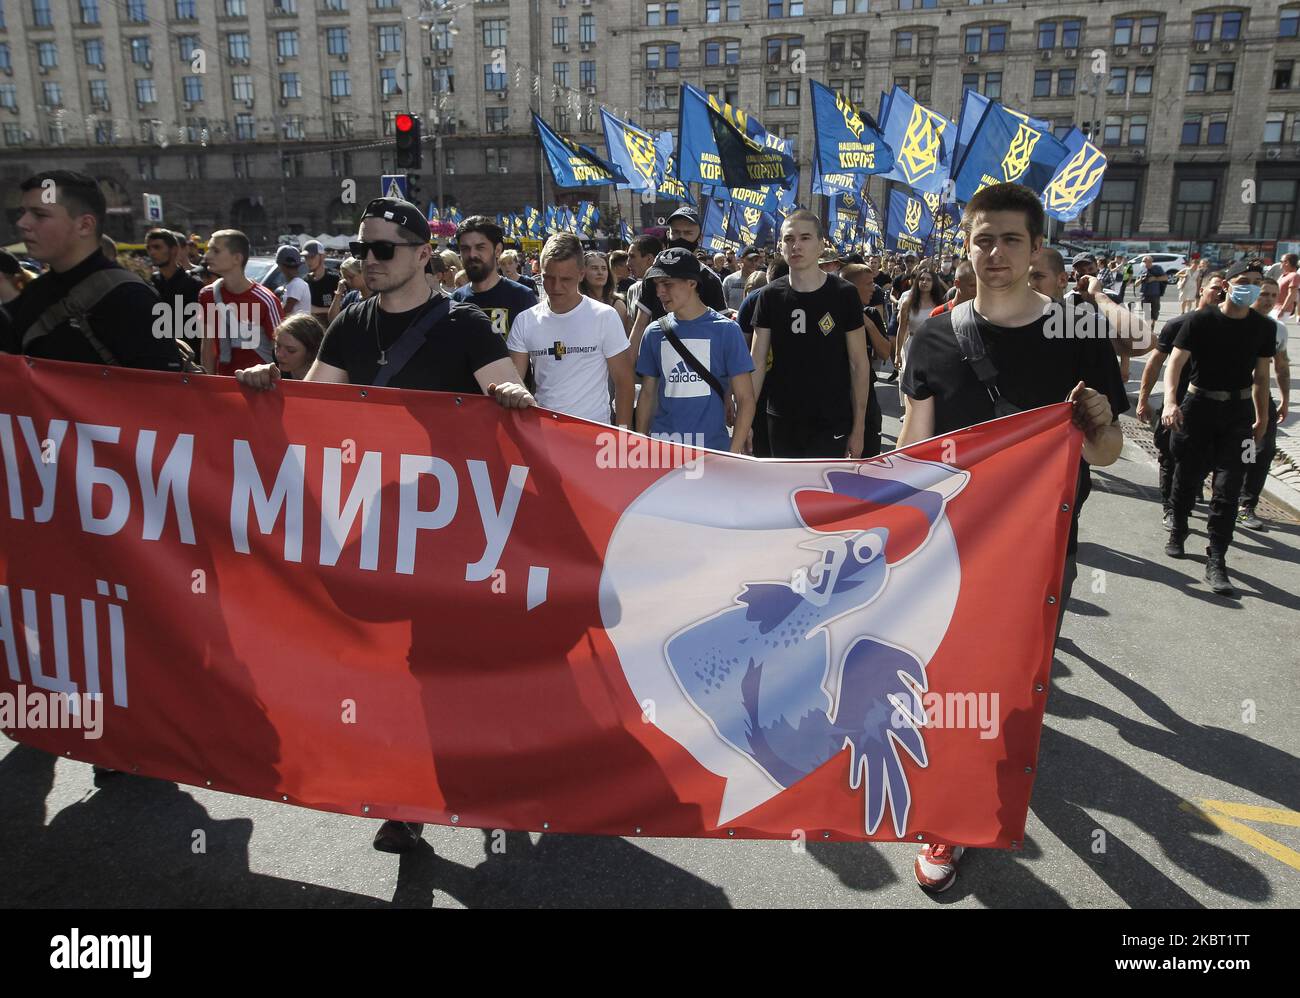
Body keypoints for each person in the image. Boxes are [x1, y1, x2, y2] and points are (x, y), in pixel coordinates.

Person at [235, 198, 534, 855]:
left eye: (383, 250)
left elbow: (514, 404)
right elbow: (315, 407)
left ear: (424, 254)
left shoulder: (465, 327)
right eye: (362, 248)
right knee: (387, 667)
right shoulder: (348, 323)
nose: (367, 260)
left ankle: (476, 774)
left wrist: (510, 400)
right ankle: (407, 798)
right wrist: (270, 384)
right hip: (375, 527)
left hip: (449, 532)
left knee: (446, 665)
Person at [897, 182, 1125, 894]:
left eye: (1010, 240)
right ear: (965, 246)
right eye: (982, 239)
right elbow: (916, 445)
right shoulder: (935, 331)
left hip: (1043, 547)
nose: (994, 253)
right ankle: (950, 819)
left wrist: (1096, 419)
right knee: (951, 683)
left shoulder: (1078, 331)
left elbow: (1107, 453)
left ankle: (993, 774)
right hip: (953, 544)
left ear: (1035, 249)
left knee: (1012, 686)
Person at [1161, 260, 1275, 596]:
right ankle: (1178, 529)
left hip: (1238, 415)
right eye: (1243, 280)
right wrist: (1169, 401)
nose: (1250, 287)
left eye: (1256, 281)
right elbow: (1175, 363)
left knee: (1228, 486)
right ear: (1226, 283)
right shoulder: (1200, 320)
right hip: (1197, 409)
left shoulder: (1263, 327)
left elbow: (1262, 377)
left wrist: (1262, 418)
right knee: (1187, 475)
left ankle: (1217, 557)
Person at [5, 170, 182, 371]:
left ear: (85, 225)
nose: (22, 223)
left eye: (39, 214)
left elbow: (164, 392)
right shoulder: (32, 294)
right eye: (23, 212)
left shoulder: (131, 298)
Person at [749, 210, 872, 459]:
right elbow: (757, 363)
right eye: (788, 239)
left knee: (826, 495)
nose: (796, 246)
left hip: (832, 419)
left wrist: (859, 427)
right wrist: (746, 423)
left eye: (805, 238)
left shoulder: (844, 294)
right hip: (781, 418)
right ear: (780, 246)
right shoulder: (769, 296)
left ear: (821, 245)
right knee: (784, 493)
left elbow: (859, 364)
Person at [634, 247, 755, 454]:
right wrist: (642, 447)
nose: (660, 291)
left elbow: (745, 398)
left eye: (667, 284)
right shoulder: (653, 333)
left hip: (713, 451)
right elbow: (647, 393)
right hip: (665, 451)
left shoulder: (726, 330)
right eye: (657, 284)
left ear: (692, 283)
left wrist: (733, 453)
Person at [506, 233, 633, 426]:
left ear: (581, 274)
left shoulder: (604, 316)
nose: (556, 287)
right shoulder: (525, 321)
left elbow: (624, 382)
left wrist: (623, 439)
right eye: (548, 278)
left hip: (593, 435)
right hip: (543, 436)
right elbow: (515, 382)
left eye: (566, 279)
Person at [1136, 274, 1229, 528]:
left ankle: (1192, 485)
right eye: (1214, 288)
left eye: (1224, 288)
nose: (1219, 293)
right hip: (1175, 405)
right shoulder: (1178, 324)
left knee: (1205, 458)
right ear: (1201, 290)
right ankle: (1170, 507)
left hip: (1211, 409)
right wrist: (1143, 399)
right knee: (1169, 457)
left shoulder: (1232, 328)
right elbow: (1155, 363)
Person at [628, 207, 726, 361]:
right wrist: (628, 367)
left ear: (699, 238)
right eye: (676, 233)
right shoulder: (652, 274)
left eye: (688, 233)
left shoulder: (710, 279)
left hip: (698, 361)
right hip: (659, 359)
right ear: (668, 234)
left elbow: (720, 330)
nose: (681, 238)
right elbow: (640, 324)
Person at [1238, 277, 1291, 531]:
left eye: (1273, 295)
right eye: (1264, 294)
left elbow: (1281, 367)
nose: (1269, 300)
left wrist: (1285, 400)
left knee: (1263, 450)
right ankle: (1222, 493)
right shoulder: (1234, 321)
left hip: (1261, 398)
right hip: (1232, 396)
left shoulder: (1277, 328)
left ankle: (1246, 504)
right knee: (1238, 449)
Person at [200, 229, 283, 375]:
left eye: (215, 251)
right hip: (225, 387)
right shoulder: (207, 295)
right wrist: (209, 387)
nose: (207, 256)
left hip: (260, 388)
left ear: (237, 258)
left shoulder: (266, 300)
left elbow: (282, 350)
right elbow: (208, 346)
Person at [840, 263, 897, 457]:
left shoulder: (871, 314)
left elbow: (884, 352)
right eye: (869, 283)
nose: (874, 288)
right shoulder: (830, 316)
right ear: (851, 287)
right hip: (837, 398)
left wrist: (868, 325)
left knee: (868, 457)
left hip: (867, 398)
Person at [451, 215, 539, 340]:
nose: (472, 255)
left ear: (497, 250)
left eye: (480, 247)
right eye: (465, 248)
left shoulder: (522, 297)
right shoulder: (456, 300)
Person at [146, 228, 203, 355]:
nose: (152, 252)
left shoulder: (194, 285)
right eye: (149, 248)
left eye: (157, 247)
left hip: (188, 358)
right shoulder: (149, 284)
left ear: (174, 250)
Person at [579, 250, 630, 332]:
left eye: (604, 268)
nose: (600, 272)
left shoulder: (617, 305)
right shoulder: (575, 302)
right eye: (594, 268)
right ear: (582, 273)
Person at [272, 312, 325, 381]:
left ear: (311, 353)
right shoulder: (274, 373)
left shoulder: (327, 379)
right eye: (277, 346)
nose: (279, 354)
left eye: (291, 350)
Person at [624, 233, 663, 319]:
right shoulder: (633, 290)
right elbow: (631, 328)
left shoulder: (669, 291)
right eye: (628, 257)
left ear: (649, 259)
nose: (628, 263)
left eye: (632, 257)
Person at [327, 256, 369, 324]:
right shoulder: (351, 296)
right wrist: (338, 293)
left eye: (351, 277)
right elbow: (333, 320)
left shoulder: (378, 297)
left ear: (363, 272)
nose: (348, 281)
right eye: (345, 278)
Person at [301, 240, 335, 322]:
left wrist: (316, 309)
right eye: (306, 257)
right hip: (311, 329)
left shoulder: (335, 279)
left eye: (312, 257)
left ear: (322, 256)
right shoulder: (305, 282)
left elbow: (344, 307)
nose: (309, 261)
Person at [723, 245, 762, 312]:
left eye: (756, 260)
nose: (753, 263)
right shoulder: (729, 280)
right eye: (750, 260)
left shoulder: (762, 280)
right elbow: (722, 305)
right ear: (741, 260)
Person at [276, 245, 311, 316]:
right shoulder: (295, 283)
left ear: (280, 266)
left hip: (298, 326)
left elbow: (286, 310)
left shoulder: (296, 284)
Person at [1137, 255, 1167, 323]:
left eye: (1144, 261)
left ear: (1150, 262)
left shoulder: (1157, 268)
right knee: (1146, 314)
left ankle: (1152, 328)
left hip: (1155, 295)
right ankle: (1148, 329)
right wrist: (1141, 279)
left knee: (1154, 313)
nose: (1143, 263)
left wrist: (1155, 278)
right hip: (1144, 295)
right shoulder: (1143, 270)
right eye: (1142, 261)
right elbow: (1136, 284)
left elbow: (1165, 278)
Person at [1275, 253, 1298, 320]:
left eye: (1281, 261)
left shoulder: (1294, 276)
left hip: (1282, 309)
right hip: (1275, 308)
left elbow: (1292, 294)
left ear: (1287, 262)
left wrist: (1282, 310)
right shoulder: (1283, 275)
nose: (1280, 263)